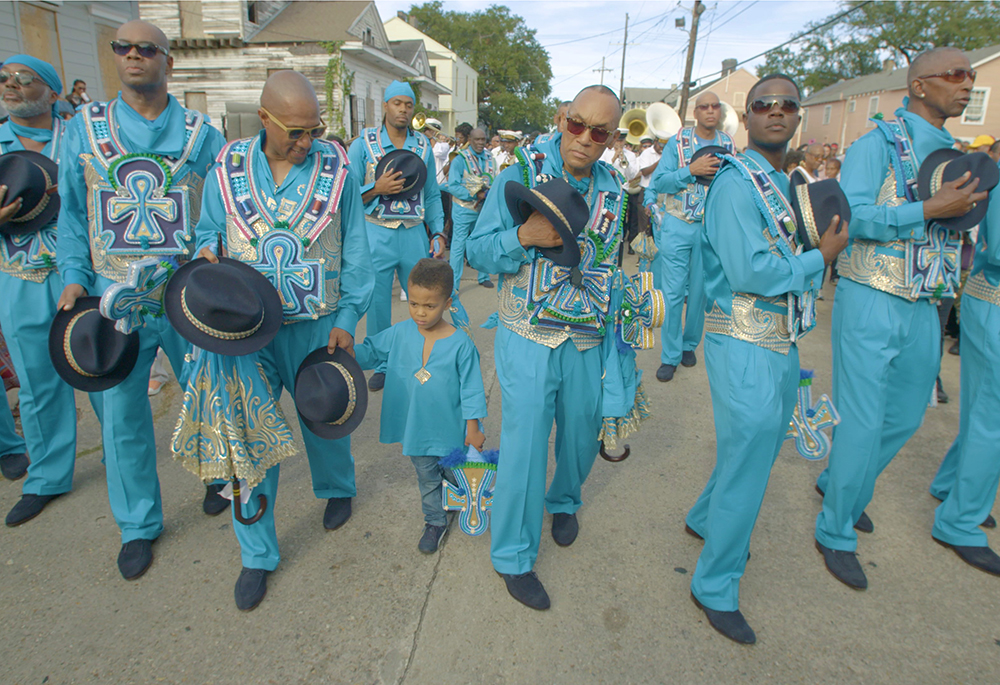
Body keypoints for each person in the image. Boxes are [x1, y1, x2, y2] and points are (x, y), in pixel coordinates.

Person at [194, 70, 374, 610]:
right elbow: (207, 229)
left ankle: (337, 488)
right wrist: (206, 255)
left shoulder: (336, 167)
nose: (305, 142)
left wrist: (349, 314)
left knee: (325, 418)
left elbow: (356, 247)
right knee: (248, 439)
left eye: (312, 130)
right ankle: (256, 554)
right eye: (294, 132)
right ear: (264, 118)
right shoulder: (225, 167)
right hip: (246, 331)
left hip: (318, 321)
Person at [56, 20, 228, 579]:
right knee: (123, 414)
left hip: (185, 291)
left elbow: (224, 206)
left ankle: (216, 476)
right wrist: (73, 276)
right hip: (113, 296)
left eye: (146, 48)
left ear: (167, 61)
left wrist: (212, 255)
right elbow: (71, 211)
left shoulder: (203, 133)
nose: (133, 56)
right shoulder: (85, 127)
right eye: (122, 48)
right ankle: (137, 524)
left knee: (208, 392)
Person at [814, 47, 988, 591]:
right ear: (918, 86)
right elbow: (853, 215)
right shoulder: (877, 143)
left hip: (928, 302)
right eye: (956, 75)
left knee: (908, 417)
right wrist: (926, 210)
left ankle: (845, 482)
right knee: (861, 420)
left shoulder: (955, 154)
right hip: (871, 295)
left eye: (972, 76)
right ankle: (836, 529)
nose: (966, 85)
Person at [686, 74, 848, 644]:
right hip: (742, 336)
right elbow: (750, 272)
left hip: (779, 338)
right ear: (746, 117)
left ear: (798, 116)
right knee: (753, 456)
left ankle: (705, 519)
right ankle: (714, 586)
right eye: (763, 105)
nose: (776, 112)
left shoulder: (783, 181)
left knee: (748, 448)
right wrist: (819, 260)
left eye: (787, 105)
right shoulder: (736, 183)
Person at [468, 84, 626, 610]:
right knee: (527, 444)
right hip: (528, 334)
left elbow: (609, 264)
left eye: (598, 131)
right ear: (562, 117)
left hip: (587, 337)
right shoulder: (518, 174)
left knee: (581, 436)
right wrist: (523, 237)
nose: (583, 138)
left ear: (611, 138)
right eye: (576, 123)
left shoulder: (617, 191)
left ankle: (565, 500)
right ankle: (512, 556)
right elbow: (478, 250)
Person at [0, 54, 103, 524]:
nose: (12, 86)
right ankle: (46, 476)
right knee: (38, 383)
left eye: (24, 80)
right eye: (5, 79)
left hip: (88, 273)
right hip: (19, 274)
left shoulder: (80, 136)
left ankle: (121, 461)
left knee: (105, 372)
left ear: (53, 90)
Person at [355, 258, 487, 554]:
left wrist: (474, 427)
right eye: (414, 304)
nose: (420, 313)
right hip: (416, 430)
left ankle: (463, 501)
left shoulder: (460, 343)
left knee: (457, 475)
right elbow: (370, 352)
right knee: (427, 479)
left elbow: (472, 388)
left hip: (451, 432)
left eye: (429, 306)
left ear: (448, 302)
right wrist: (347, 351)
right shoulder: (400, 332)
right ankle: (435, 521)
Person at [347, 81, 445, 393]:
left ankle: (427, 357)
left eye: (408, 104)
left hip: (413, 231)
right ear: (386, 106)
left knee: (426, 298)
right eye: (397, 103)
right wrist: (376, 189)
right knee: (377, 304)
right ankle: (383, 363)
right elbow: (346, 194)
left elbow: (431, 195)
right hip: (375, 230)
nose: (403, 109)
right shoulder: (363, 144)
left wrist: (439, 232)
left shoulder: (423, 146)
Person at [927, 160, 1000, 576]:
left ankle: (952, 487)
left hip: (985, 296)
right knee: (991, 419)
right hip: (993, 297)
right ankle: (960, 522)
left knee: (984, 414)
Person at [644, 91, 735, 382]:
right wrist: (690, 170)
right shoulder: (678, 142)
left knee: (700, 293)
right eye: (704, 107)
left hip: (712, 230)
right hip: (678, 225)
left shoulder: (728, 144)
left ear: (720, 112)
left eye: (715, 106)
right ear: (695, 112)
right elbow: (660, 182)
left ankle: (688, 345)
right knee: (672, 294)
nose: (710, 111)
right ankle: (669, 355)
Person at [448, 128, 495, 292]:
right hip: (463, 209)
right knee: (458, 246)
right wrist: (474, 194)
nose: (481, 143)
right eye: (477, 139)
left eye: (483, 139)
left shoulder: (490, 157)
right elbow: (452, 186)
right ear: (470, 139)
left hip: (484, 209)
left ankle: (484, 276)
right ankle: (453, 284)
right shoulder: (460, 159)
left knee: (483, 243)